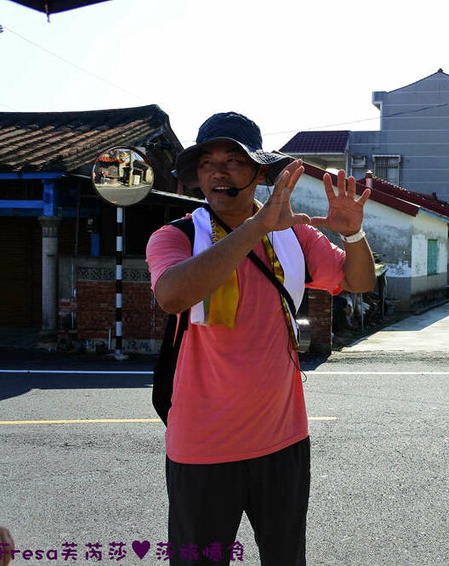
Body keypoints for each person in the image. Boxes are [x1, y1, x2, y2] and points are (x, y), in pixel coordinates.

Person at [145, 112, 376, 565]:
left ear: (260, 172)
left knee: (285, 557)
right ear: (195, 176)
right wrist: (257, 227)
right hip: (202, 447)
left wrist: (354, 234)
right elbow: (172, 296)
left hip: (283, 440)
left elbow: (359, 281)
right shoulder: (175, 237)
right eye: (207, 162)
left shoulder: (295, 236)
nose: (218, 171)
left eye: (234, 160)